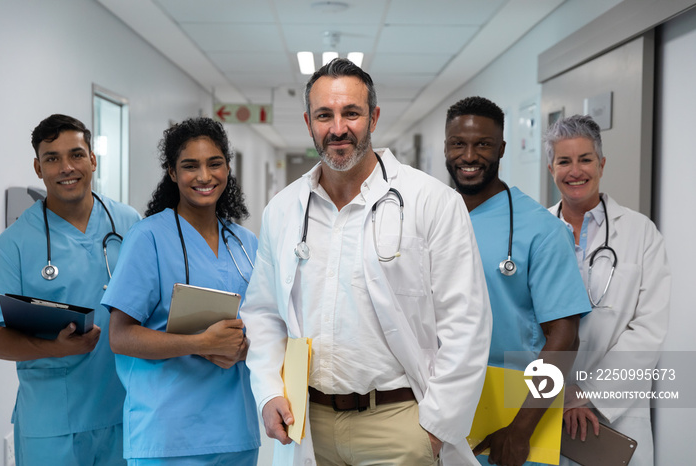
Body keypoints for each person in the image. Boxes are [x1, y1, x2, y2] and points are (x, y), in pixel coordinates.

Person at [241, 58, 492, 465]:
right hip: (309, 424)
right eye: (325, 115)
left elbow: (466, 321)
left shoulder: (431, 201)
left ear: (373, 117)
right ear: (309, 123)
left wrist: (434, 428)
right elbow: (265, 313)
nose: (338, 128)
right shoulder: (284, 210)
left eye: (351, 113)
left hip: (399, 421)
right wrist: (270, 391)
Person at [101, 117, 260, 465]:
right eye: (190, 166)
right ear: (172, 173)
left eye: (214, 163)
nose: (204, 176)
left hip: (236, 432)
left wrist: (246, 346)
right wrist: (199, 343)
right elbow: (120, 336)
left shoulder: (246, 244)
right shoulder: (148, 238)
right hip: (168, 435)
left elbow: (264, 324)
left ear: (227, 168)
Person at [443, 97, 591, 466]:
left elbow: (564, 337)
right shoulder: (431, 217)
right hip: (441, 407)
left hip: (514, 410)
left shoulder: (540, 229)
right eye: (458, 143)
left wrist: (521, 427)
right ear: (445, 147)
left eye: (483, 144)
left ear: (502, 149)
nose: (469, 156)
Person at [0, 114, 141, 465]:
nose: (66, 167)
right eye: (52, 158)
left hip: (125, 412)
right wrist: (53, 348)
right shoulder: (12, 245)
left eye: (76, 154)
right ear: (38, 167)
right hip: (53, 421)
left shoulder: (130, 223)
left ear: (93, 158)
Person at [546, 114, 670, 466]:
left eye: (585, 159)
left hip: (616, 410)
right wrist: (557, 394)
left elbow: (648, 329)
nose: (575, 171)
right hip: (546, 407)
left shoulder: (640, 233)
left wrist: (586, 394)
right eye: (564, 161)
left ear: (601, 164)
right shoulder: (537, 232)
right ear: (551, 167)